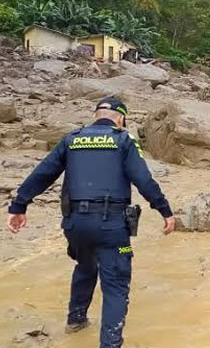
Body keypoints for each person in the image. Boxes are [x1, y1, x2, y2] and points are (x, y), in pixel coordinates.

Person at [6, 97, 175, 348]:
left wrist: (19, 205)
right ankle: (110, 344)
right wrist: (165, 210)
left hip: (75, 227)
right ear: (121, 119)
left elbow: (42, 173)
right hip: (112, 229)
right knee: (116, 284)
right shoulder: (123, 140)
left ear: (96, 115)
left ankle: (75, 320)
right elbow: (143, 179)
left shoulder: (72, 139)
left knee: (85, 265)